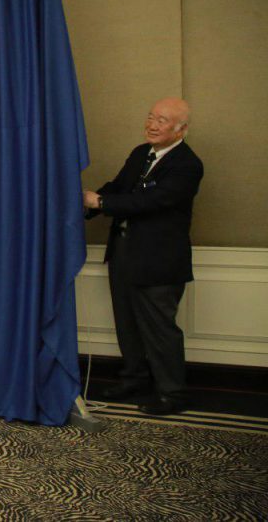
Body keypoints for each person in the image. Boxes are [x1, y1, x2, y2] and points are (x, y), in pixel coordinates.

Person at [83, 97, 203, 416]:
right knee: (127, 323)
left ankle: (172, 393)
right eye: (151, 117)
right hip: (123, 253)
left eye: (162, 121)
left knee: (160, 329)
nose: (152, 125)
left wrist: (101, 203)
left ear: (181, 130)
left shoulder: (187, 165)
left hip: (159, 261)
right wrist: (84, 205)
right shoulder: (141, 153)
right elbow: (119, 187)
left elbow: (151, 202)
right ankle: (134, 379)